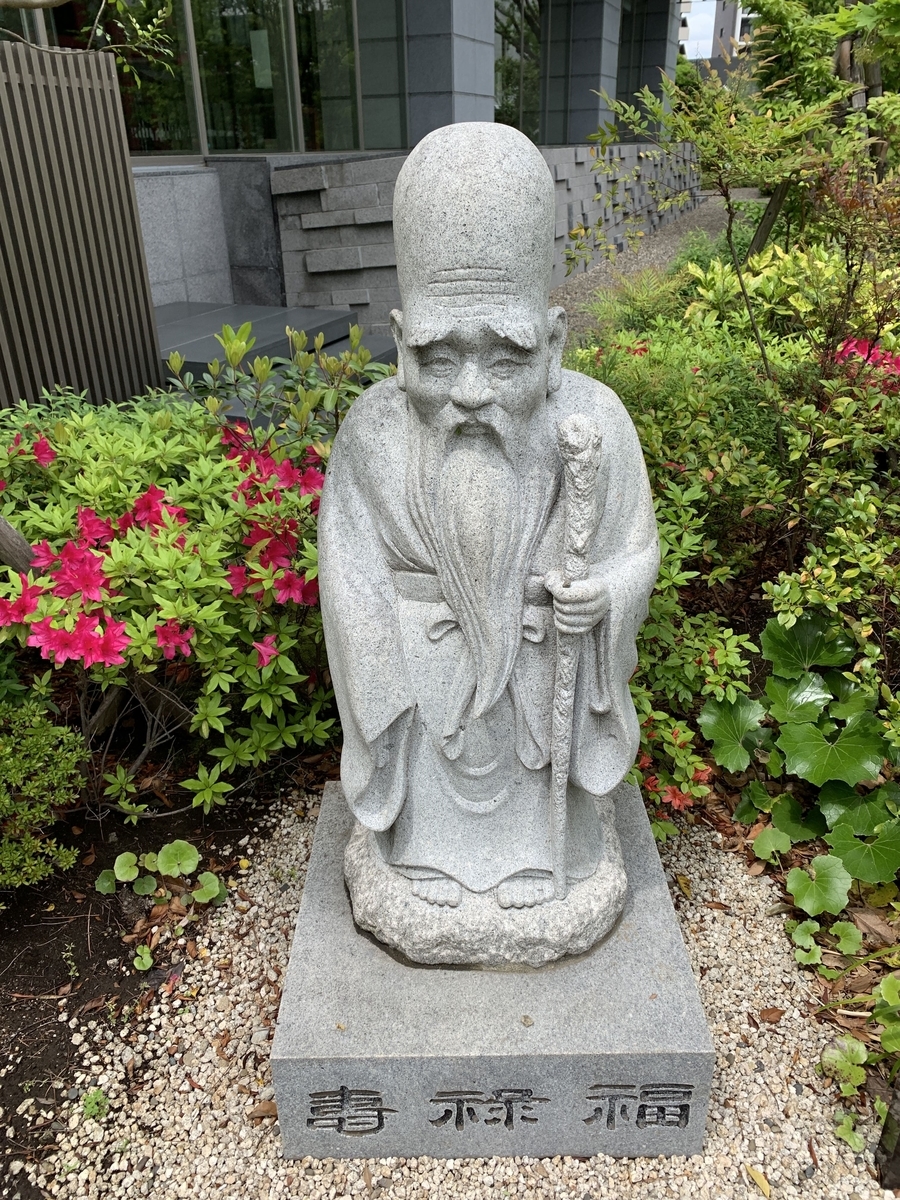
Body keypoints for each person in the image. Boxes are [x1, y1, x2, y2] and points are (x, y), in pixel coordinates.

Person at [318, 123, 658, 955]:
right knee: (434, 778)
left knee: (540, 779)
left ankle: (556, 852)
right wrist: (383, 682)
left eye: (503, 359)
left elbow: (635, 547)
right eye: (438, 358)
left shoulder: (595, 423)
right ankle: (424, 849)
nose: (469, 392)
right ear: (400, 344)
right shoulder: (371, 434)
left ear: (551, 343)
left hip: (548, 676)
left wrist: (604, 597)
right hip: (423, 684)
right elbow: (349, 581)